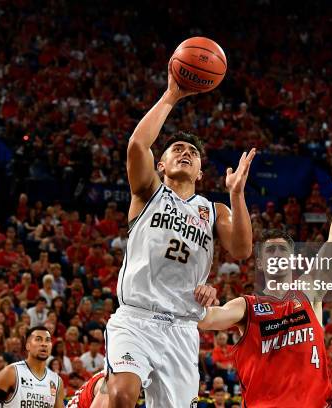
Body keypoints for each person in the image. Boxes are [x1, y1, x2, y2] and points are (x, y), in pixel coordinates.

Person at [105, 62, 255, 408]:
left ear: (201, 172)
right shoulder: (148, 192)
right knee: (122, 394)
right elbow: (136, 147)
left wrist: (236, 194)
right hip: (136, 319)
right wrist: (173, 94)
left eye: (192, 153)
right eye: (176, 150)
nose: (185, 153)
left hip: (182, 327)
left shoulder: (214, 210)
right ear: (161, 165)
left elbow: (243, 249)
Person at [198, 153, 332, 407]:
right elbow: (205, 319)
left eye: (283, 250)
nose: (277, 254)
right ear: (260, 262)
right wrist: (200, 298)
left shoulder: (309, 291)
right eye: (270, 250)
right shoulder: (245, 306)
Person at [0, 326, 65, 408]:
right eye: (38, 339)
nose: (44, 344)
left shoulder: (57, 381)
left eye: (47, 340)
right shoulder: (11, 372)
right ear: (28, 346)